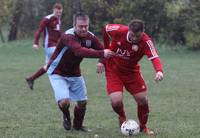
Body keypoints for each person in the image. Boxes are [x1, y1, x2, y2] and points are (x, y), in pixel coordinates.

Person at [46, 13, 115, 132]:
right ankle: (66, 115)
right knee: (64, 101)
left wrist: (101, 62)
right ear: (74, 25)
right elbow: (79, 51)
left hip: (74, 72)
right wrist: (102, 54)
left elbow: (103, 50)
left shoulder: (90, 37)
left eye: (86, 26)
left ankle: (78, 126)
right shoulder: (68, 36)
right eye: (80, 26)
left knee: (82, 102)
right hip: (57, 72)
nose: (83, 29)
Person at [96, 19, 164, 135]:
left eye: (137, 36)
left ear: (143, 32)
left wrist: (159, 71)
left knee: (142, 99)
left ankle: (143, 127)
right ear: (129, 30)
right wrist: (104, 53)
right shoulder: (119, 30)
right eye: (132, 35)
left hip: (132, 72)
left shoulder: (146, 41)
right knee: (116, 101)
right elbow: (106, 29)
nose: (134, 39)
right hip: (113, 70)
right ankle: (122, 117)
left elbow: (154, 56)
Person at [25, 3, 63, 90]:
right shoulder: (47, 19)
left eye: (60, 13)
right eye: (57, 12)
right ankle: (62, 81)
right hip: (49, 45)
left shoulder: (58, 20)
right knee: (60, 59)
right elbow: (39, 31)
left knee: (48, 65)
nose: (58, 14)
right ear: (53, 10)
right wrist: (35, 43)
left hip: (55, 45)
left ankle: (31, 78)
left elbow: (59, 34)